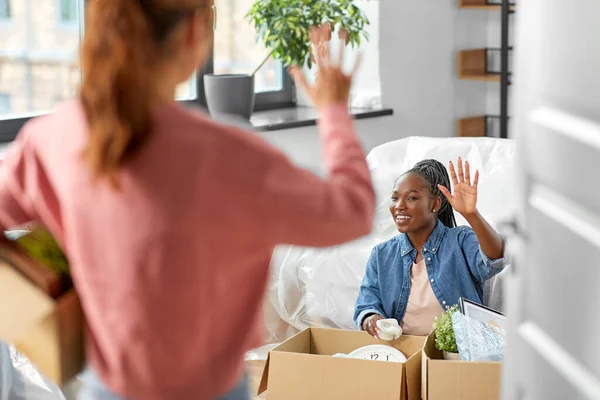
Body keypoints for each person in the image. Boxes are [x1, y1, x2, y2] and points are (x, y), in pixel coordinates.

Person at [0, 0, 375, 399]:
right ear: (195, 31)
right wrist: (333, 110)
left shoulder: (55, 134)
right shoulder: (229, 154)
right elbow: (352, 209)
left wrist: (53, 284)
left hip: (104, 389)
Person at [354, 158, 505, 338]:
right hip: (403, 352)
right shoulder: (381, 255)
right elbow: (366, 305)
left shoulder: (460, 240)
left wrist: (471, 214)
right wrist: (372, 319)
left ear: (435, 205)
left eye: (411, 198)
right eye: (395, 198)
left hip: (456, 354)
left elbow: (495, 258)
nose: (399, 206)